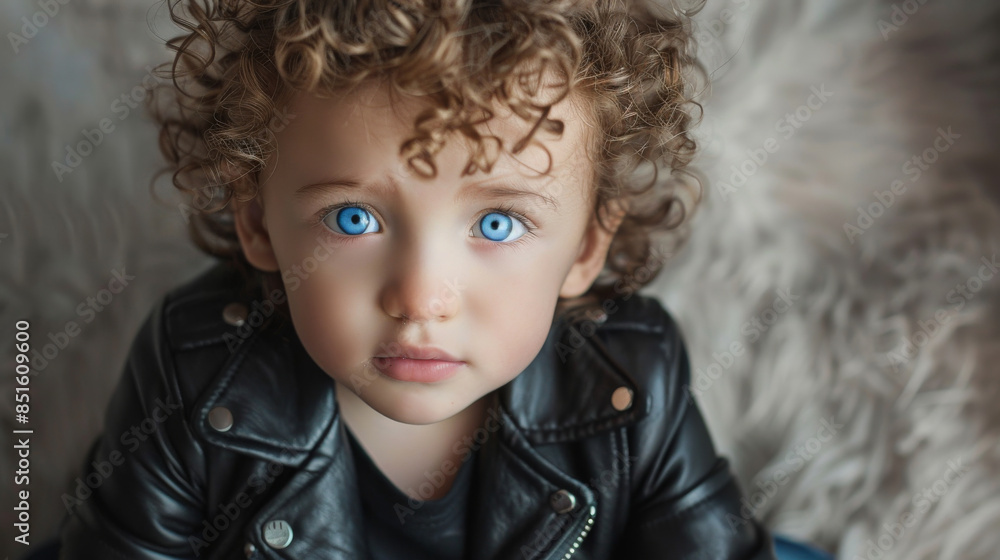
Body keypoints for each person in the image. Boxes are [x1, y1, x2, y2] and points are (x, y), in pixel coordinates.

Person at [56, 0, 777, 558]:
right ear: (256, 220)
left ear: (586, 246)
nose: (420, 298)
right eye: (352, 221)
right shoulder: (194, 374)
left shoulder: (633, 374)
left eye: (497, 225)